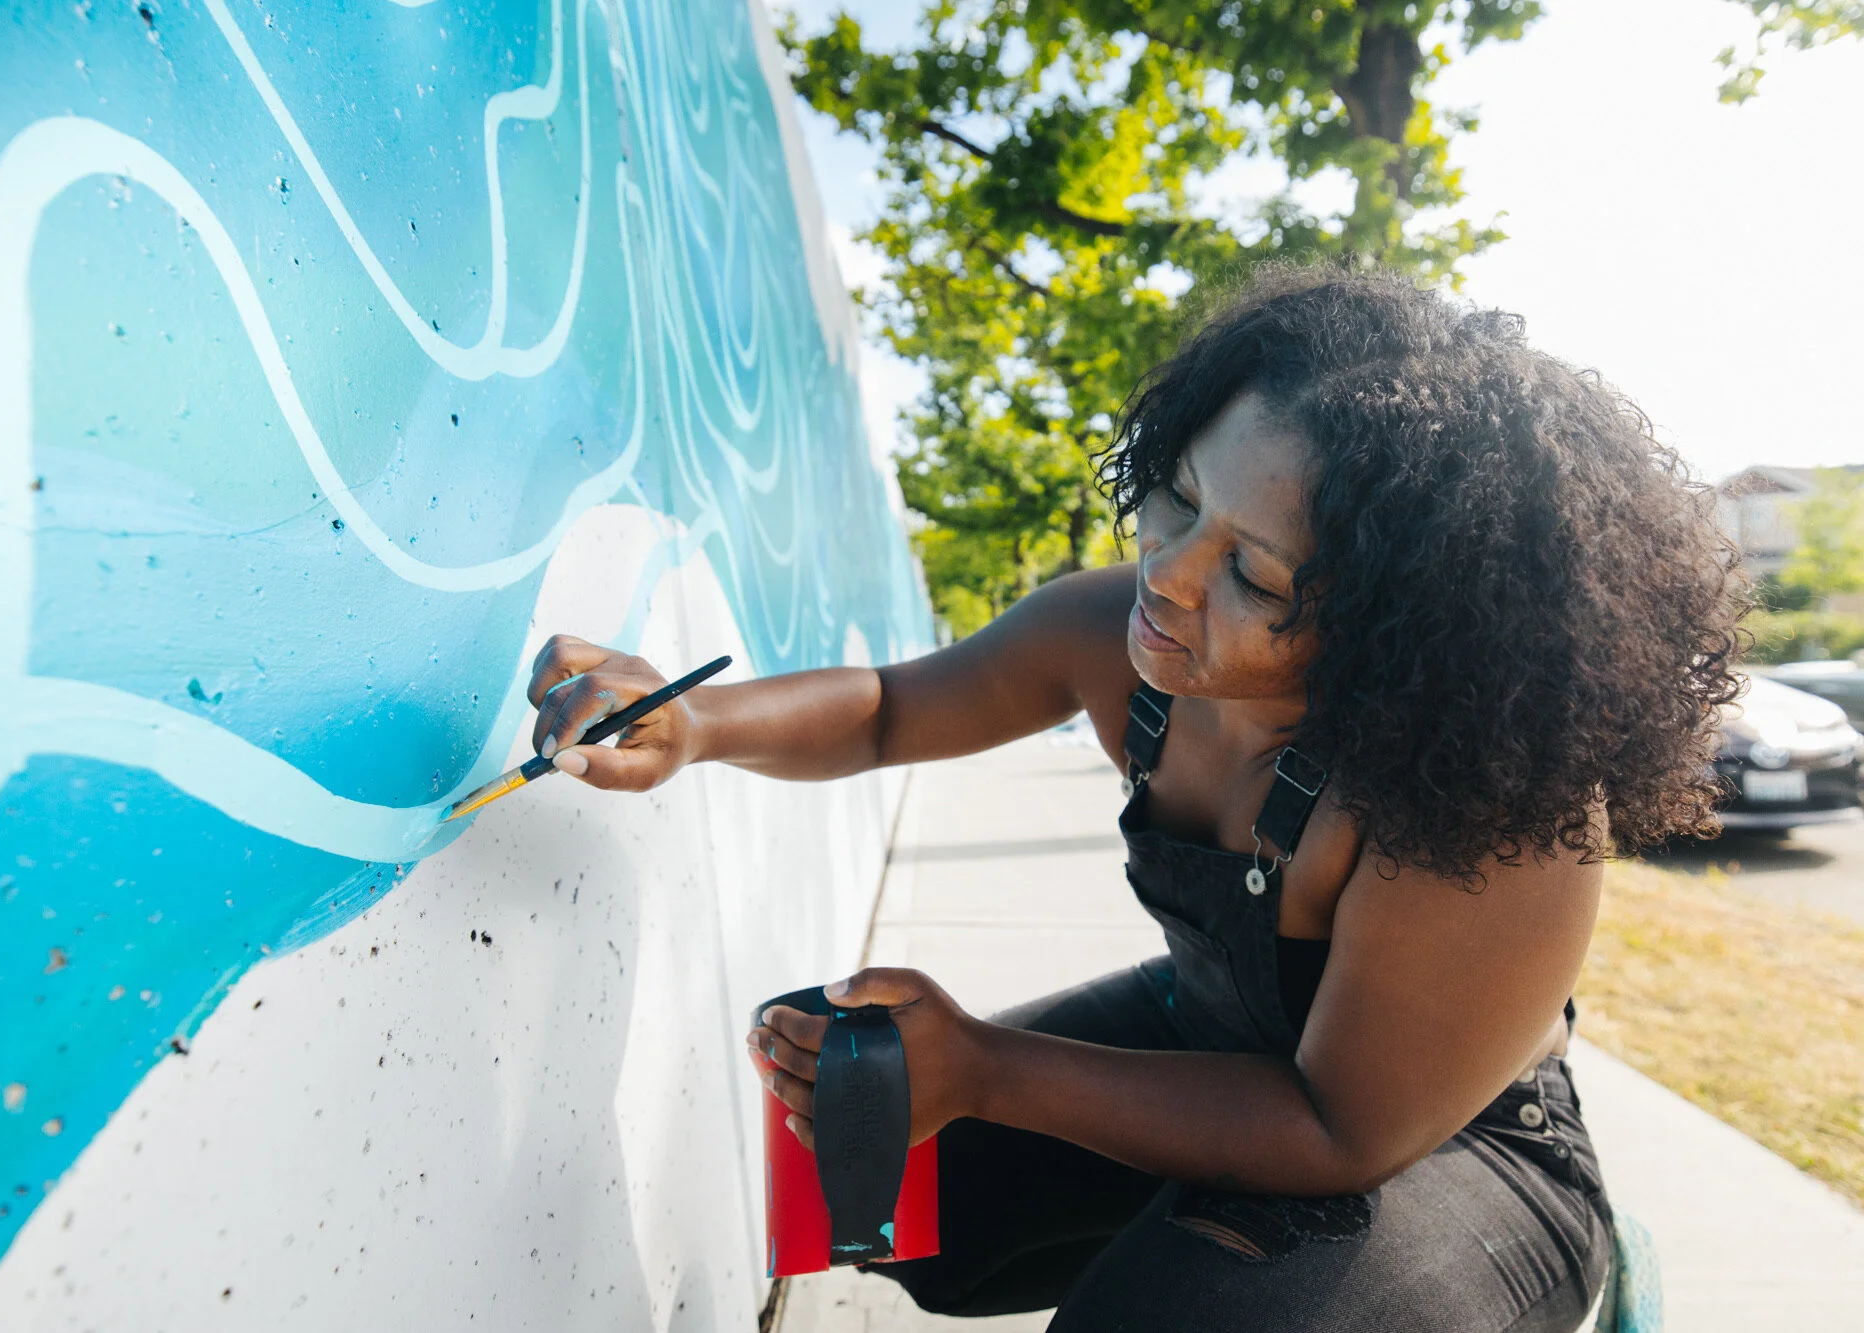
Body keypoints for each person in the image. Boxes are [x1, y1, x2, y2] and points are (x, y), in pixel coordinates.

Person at [520, 269, 1742, 1330]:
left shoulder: (1490, 805)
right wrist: (693, 725)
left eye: (1252, 574)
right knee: (867, 1132)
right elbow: (893, 706)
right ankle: (1202, 1253)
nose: (1167, 572)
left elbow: (1338, 1131)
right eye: (1182, 498)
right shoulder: (1122, 633)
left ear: (1395, 629)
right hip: (1221, 1042)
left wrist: (991, 1069)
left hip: (1452, 1142)